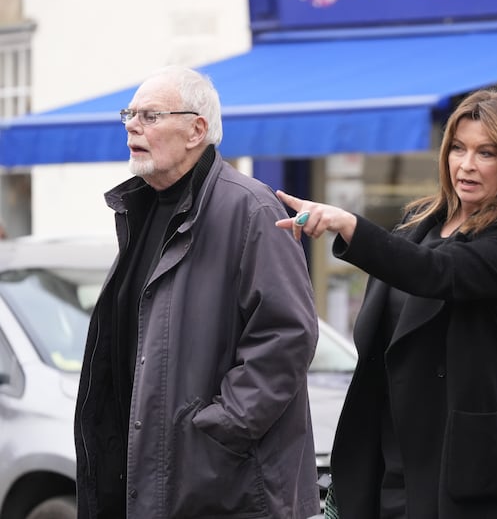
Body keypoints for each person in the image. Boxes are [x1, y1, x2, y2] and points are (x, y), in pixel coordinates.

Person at [275, 89, 497, 518]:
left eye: (486, 153)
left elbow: (435, 273)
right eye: (458, 149)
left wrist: (348, 224)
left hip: (459, 469)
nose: (466, 165)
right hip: (384, 458)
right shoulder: (415, 229)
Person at [74, 66, 320, 519]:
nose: (132, 125)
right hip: (152, 477)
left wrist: (217, 428)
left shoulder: (252, 208)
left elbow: (287, 336)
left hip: (226, 488)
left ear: (196, 130)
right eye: (129, 114)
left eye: (150, 115)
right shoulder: (141, 208)